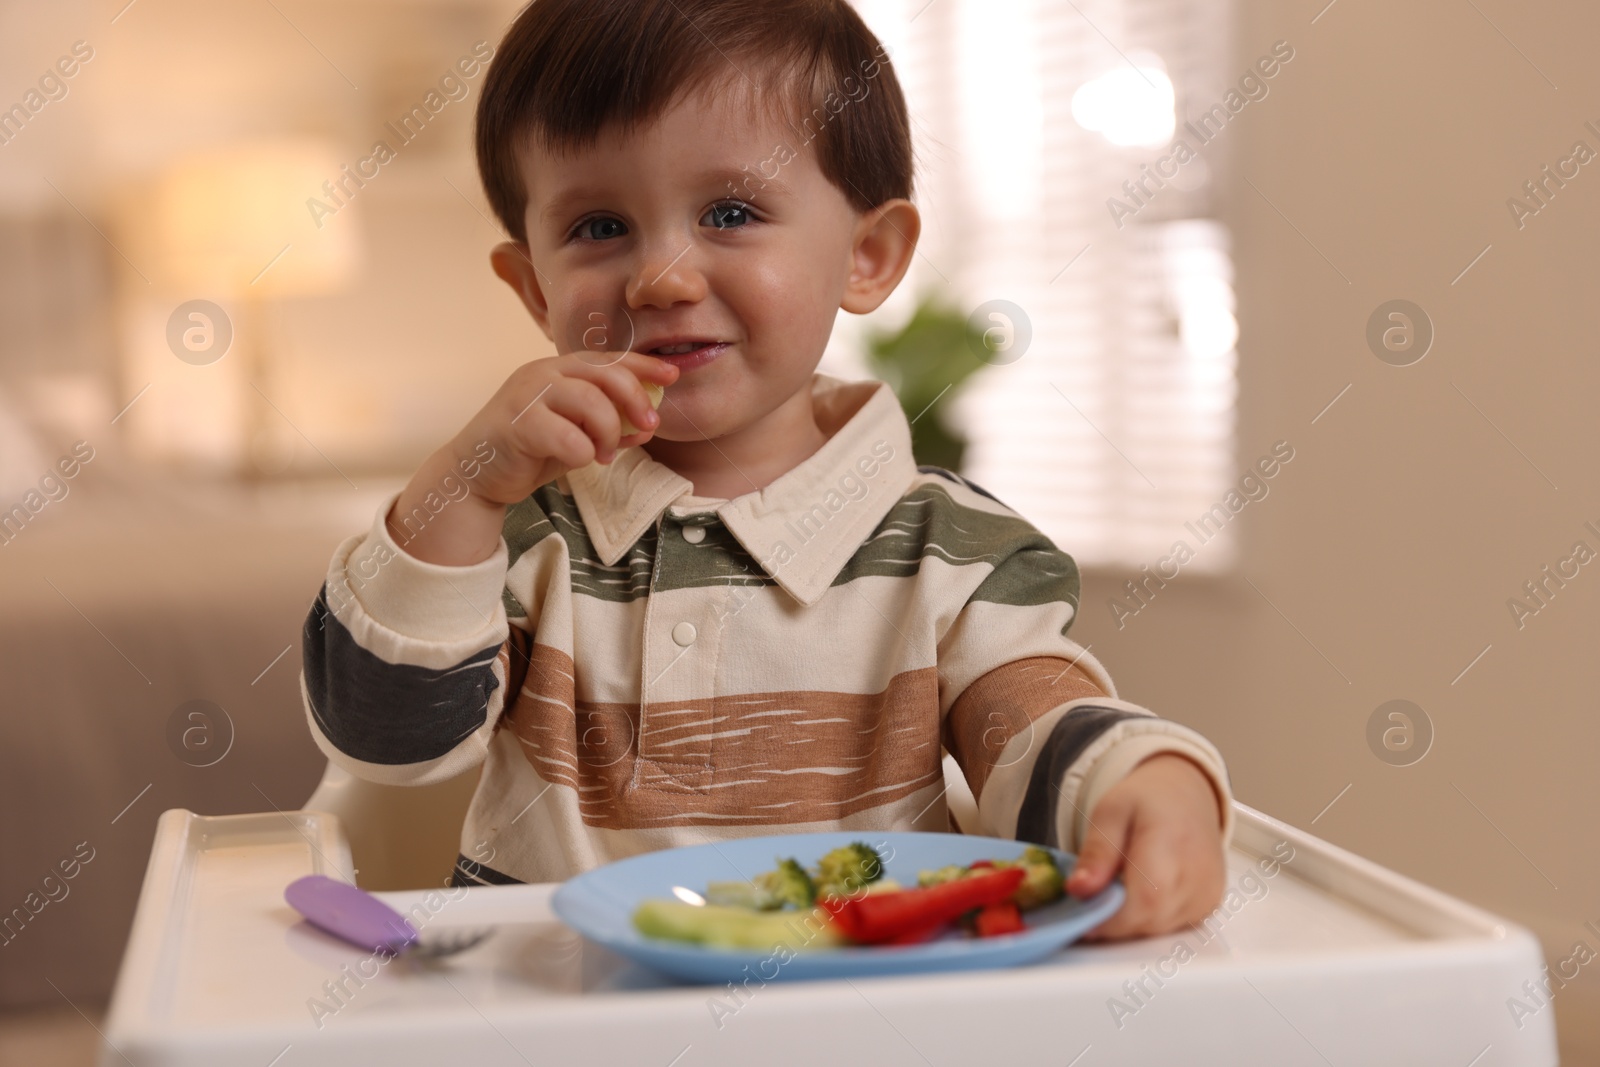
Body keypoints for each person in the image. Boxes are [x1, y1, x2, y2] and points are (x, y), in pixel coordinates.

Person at [301, 0, 1230, 940]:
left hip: (854, 1013)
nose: (660, 276)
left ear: (866, 256)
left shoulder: (952, 552)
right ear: (536, 289)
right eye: (598, 226)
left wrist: (1145, 779)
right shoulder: (518, 527)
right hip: (550, 1012)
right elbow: (383, 738)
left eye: (731, 212)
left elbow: (1029, 729)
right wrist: (467, 480)